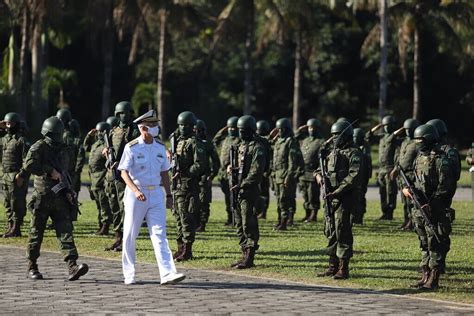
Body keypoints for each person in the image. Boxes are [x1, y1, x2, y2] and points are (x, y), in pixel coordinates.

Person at [16, 116, 88, 281]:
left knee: (65, 232)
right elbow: (29, 165)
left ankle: (72, 266)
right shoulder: (39, 146)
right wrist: (49, 170)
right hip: (42, 198)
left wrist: (70, 191)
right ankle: (32, 266)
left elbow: (65, 173)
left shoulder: (64, 149)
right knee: (36, 233)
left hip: (60, 197)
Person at [117, 110, 185, 285]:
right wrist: (134, 190)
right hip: (136, 194)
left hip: (156, 193)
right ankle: (129, 274)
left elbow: (164, 173)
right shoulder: (131, 147)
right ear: (143, 128)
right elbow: (123, 172)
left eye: (156, 125)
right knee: (130, 234)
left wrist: (169, 194)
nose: (156, 128)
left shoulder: (160, 147)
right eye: (152, 126)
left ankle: (167, 273)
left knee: (159, 233)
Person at [401, 124, 456, 290]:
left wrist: (431, 204)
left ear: (430, 139)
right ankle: (425, 274)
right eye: (416, 139)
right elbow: (416, 182)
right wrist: (408, 191)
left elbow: (446, 187)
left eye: (421, 139)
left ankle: (434, 277)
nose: (418, 142)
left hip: (435, 210)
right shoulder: (418, 158)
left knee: (435, 243)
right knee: (423, 242)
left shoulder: (441, 160)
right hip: (419, 209)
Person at [315, 120, 362, 280]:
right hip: (330, 198)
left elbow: (353, 176)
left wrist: (337, 191)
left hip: (345, 198)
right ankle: (332, 265)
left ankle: (343, 267)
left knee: (343, 231)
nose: (334, 138)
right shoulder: (331, 152)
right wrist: (319, 177)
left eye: (337, 135)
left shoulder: (354, 153)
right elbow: (318, 169)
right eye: (333, 135)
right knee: (330, 230)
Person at [228, 115, 265, 269]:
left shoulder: (257, 147)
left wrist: (242, 184)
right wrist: (230, 169)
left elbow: (256, 172)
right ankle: (244, 253)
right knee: (238, 223)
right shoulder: (239, 146)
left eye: (243, 131)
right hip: (237, 189)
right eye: (239, 131)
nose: (240, 134)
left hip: (248, 190)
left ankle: (250, 256)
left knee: (248, 223)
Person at [103, 101, 140, 252]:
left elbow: (138, 152)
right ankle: (118, 237)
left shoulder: (135, 131)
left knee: (126, 208)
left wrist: (122, 162)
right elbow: (108, 147)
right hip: (111, 175)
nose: (124, 116)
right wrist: (106, 150)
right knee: (115, 208)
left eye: (126, 113)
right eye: (121, 114)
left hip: (125, 175)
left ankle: (126, 239)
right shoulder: (113, 131)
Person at [170, 111, 206, 261]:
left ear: (192, 126)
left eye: (185, 125)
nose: (182, 128)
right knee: (178, 217)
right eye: (180, 125)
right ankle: (180, 248)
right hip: (177, 186)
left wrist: (185, 173)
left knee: (186, 218)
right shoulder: (177, 141)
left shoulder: (195, 142)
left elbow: (200, 164)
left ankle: (188, 250)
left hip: (188, 186)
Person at [366, 115, 400, 220]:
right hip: (381, 169)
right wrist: (377, 127)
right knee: (382, 192)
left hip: (390, 168)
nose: (385, 127)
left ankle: (390, 213)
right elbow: (368, 137)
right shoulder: (381, 137)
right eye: (384, 126)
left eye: (387, 125)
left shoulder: (395, 138)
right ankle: (384, 212)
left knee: (391, 191)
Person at [0, 112, 29, 237]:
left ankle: (16, 228)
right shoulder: (4, 139)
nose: (8, 126)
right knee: (7, 203)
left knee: (16, 203)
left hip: (16, 176)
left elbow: (27, 161)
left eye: (11, 123)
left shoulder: (21, 140)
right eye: (6, 123)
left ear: (16, 124)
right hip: (5, 175)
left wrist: (21, 175)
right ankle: (10, 225)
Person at [272, 118, 304, 230]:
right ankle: (280, 220)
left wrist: (288, 177)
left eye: (281, 129)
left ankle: (284, 222)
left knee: (284, 200)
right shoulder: (278, 141)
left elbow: (292, 161)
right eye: (278, 129)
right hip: (277, 175)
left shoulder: (290, 141)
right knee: (279, 199)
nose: (279, 131)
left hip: (285, 175)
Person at [83, 122, 112, 235]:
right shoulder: (96, 144)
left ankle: (105, 227)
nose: (99, 134)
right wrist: (89, 136)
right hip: (94, 180)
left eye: (101, 132)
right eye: (98, 132)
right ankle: (101, 225)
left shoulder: (107, 145)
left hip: (102, 180)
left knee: (104, 205)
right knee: (99, 205)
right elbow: (86, 147)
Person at [391, 118, 420, 230]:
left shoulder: (416, 143)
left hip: (411, 175)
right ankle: (406, 220)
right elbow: (399, 157)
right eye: (406, 129)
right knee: (404, 201)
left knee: (412, 201)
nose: (408, 131)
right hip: (402, 175)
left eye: (410, 129)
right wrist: (395, 169)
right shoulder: (403, 142)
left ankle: (413, 222)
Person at [295, 118, 325, 223]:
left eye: (312, 127)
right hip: (303, 171)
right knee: (305, 194)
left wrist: (319, 172)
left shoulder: (321, 141)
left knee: (313, 194)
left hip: (313, 172)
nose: (310, 129)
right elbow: (294, 138)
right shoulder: (305, 139)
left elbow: (324, 158)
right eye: (309, 127)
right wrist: (299, 130)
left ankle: (313, 215)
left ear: (317, 128)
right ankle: (307, 214)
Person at [213, 116, 241, 226]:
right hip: (223, 172)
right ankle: (230, 218)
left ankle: (235, 219)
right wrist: (223, 130)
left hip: (233, 172)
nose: (231, 130)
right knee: (227, 198)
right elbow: (215, 141)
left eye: (233, 128)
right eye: (229, 128)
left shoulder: (239, 140)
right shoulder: (225, 139)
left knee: (233, 198)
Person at [194, 119, 220, 232]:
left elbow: (216, 161)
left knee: (204, 201)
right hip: (193, 176)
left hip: (205, 176)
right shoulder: (191, 142)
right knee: (193, 201)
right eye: (195, 130)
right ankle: (195, 223)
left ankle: (202, 223)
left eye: (199, 130)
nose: (197, 132)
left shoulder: (208, 143)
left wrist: (212, 175)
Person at [352, 127, 372, 224]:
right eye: (354, 137)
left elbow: (367, 166)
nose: (355, 139)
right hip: (355, 176)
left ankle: (359, 217)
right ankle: (355, 216)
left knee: (361, 197)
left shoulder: (365, 148)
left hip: (362, 177)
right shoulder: (353, 147)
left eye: (357, 137)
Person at [255, 120, 272, 219]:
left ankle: (263, 211)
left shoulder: (266, 141)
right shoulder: (258, 140)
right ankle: (259, 210)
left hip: (264, 170)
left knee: (264, 193)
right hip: (258, 169)